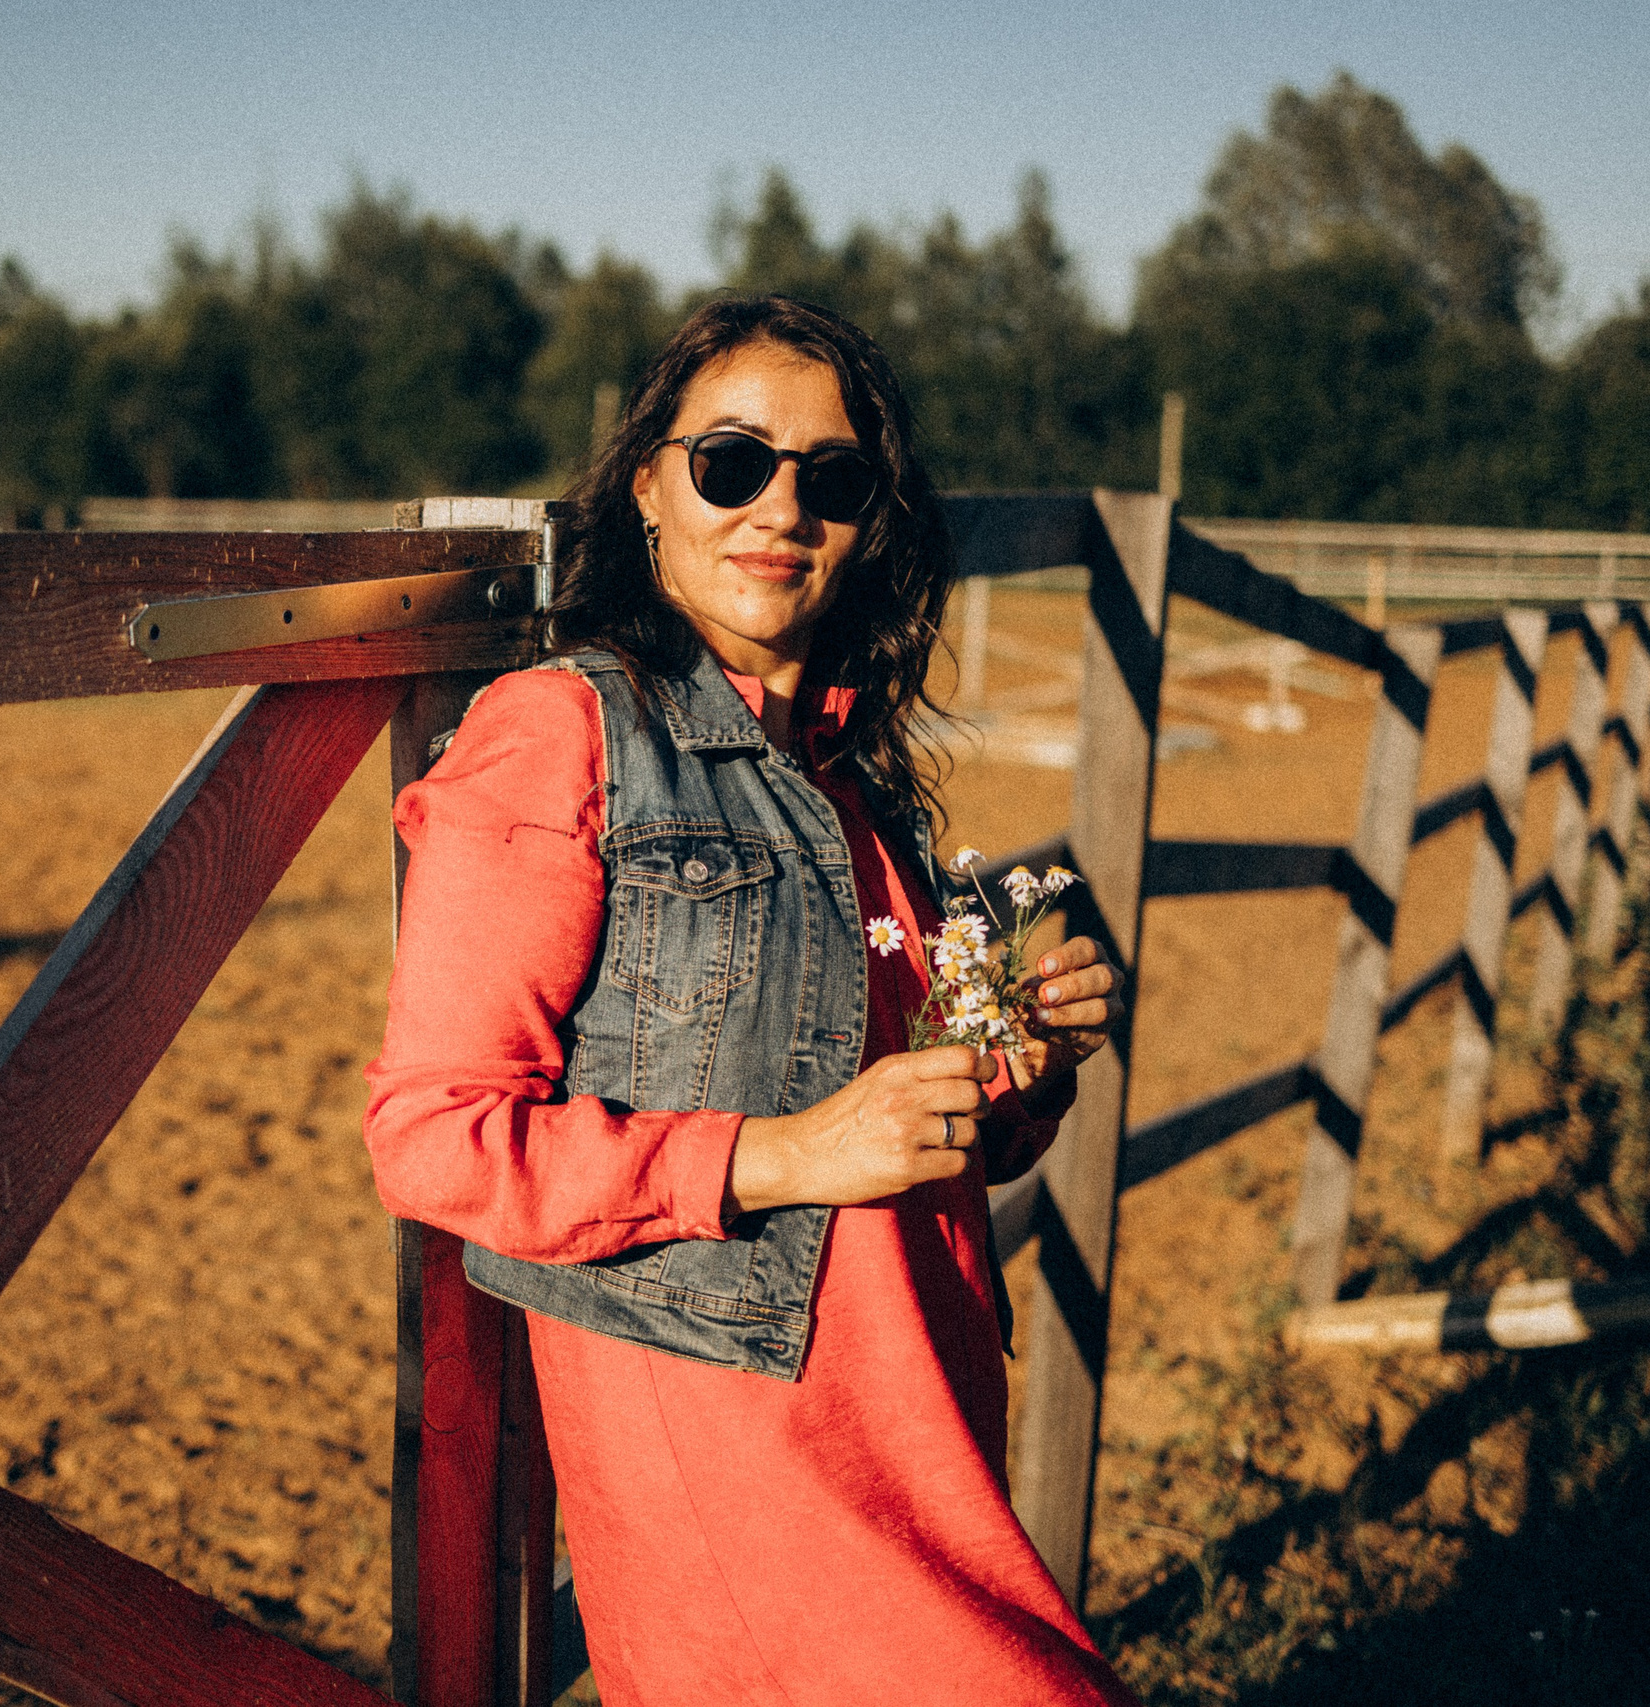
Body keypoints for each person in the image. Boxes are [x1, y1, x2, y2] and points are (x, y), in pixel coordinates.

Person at [363, 295, 1135, 1706]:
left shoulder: (856, 779)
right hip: (748, 1454)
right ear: (649, 483)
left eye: (831, 479)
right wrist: (786, 1153)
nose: (780, 506)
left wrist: (1026, 1054)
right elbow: (431, 1135)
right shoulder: (564, 734)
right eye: (732, 461)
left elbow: (913, 1140)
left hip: (919, 1427)